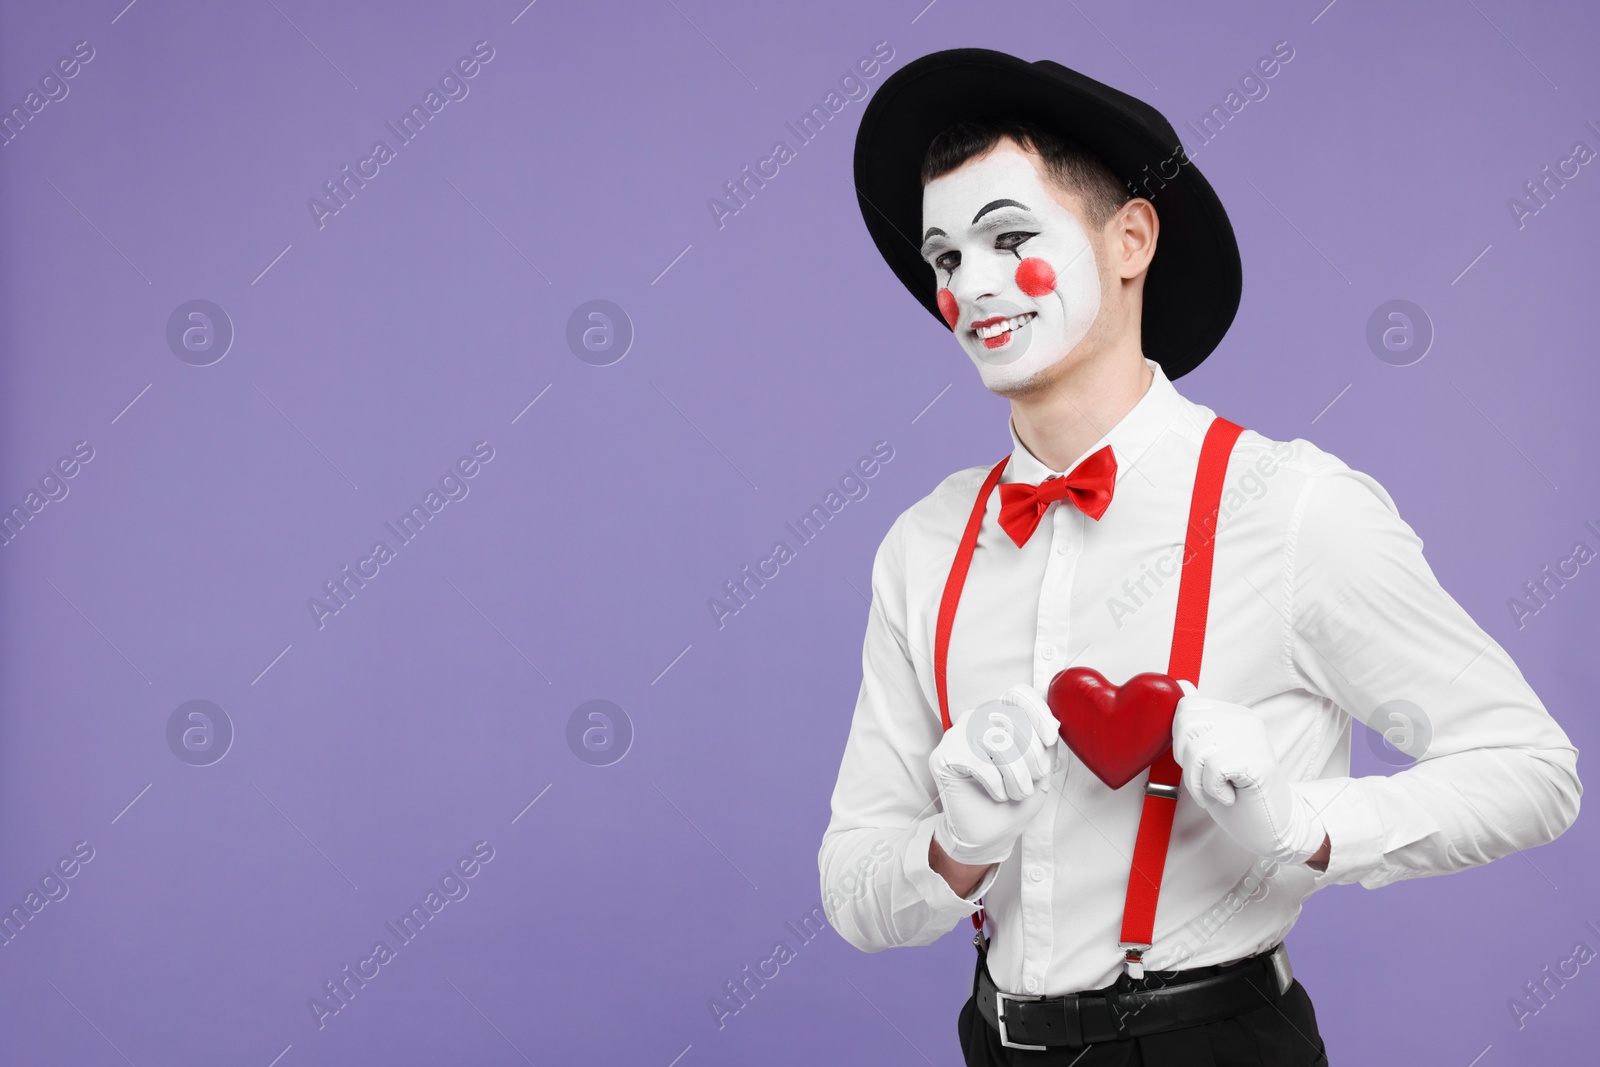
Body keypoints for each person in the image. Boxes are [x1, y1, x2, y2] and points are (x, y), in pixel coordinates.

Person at [818, 48, 1581, 1066]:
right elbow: (853, 885)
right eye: (947, 258)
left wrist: (1299, 821)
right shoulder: (924, 543)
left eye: (1008, 238)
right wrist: (954, 843)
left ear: (1130, 238)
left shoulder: (1293, 507)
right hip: (993, 1039)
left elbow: (1532, 772)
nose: (973, 287)